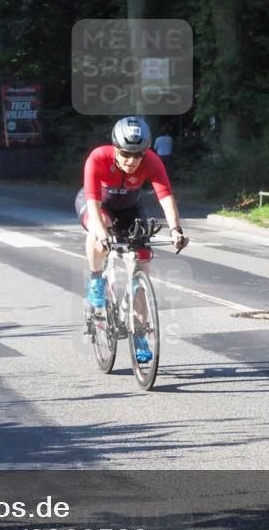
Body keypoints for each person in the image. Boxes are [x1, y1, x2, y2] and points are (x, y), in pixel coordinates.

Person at [76, 116, 188, 362]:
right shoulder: (98, 158)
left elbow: (166, 196)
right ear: (115, 148)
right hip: (96, 204)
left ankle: (139, 335)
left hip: (129, 208)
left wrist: (176, 229)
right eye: (126, 154)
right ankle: (96, 279)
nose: (132, 161)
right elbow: (93, 203)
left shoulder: (152, 161)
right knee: (100, 228)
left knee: (142, 271)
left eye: (138, 155)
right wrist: (103, 235)